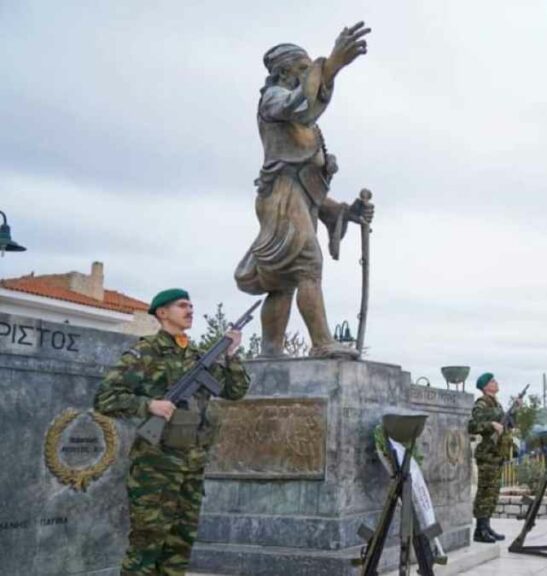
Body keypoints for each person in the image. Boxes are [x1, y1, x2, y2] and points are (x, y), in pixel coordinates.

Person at [235, 24, 375, 358]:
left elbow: (309, 188)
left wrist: (345, 211)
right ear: (283, 72)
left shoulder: (305, 128)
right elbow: (301, 106)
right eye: (303, 68)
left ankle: (271, 350)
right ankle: (322, 343)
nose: (310, 73)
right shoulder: (272, 100)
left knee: (283, 279)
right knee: (306, 265)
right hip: (280, 199)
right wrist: (332, 66)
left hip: (293, 198)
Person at [93, 289, 250, 576]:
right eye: (182, 306)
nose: (190, 310)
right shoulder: (144, 353)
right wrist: (148, 405)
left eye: (191, 305)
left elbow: (235, 391)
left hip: (191, 467)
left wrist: (231, 355)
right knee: (146, 546)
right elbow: (104, 398)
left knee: (179, 547)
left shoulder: (197, 356)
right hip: (155, 467)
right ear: (162, 313)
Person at [467, 372, 516, 543]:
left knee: (493, 493)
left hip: (497, 455)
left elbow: (508, 424)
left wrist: (515, 409)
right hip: (487, 455)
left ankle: (486, 526)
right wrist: (491, 425)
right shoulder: (481, 404)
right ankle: (480, 530)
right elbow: (472, 426)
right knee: (485, 492)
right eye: (493, 381)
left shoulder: (497, 404)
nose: (496, 383)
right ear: (486, 386)